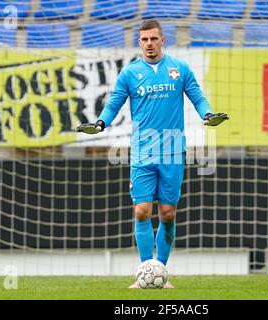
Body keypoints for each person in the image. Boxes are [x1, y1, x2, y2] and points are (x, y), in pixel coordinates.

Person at [77, 20, 229, 289]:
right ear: (139, 42)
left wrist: (208, 115)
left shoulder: (179, 69)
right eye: (144, 39)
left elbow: (197, 96)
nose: (149, 44)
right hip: (142, 152)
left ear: (162, 40)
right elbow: (113, 104)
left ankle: (162, 271)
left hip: (172, 151)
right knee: (142, 210)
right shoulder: (130, 73)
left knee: (168, 213)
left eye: (153, 39)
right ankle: (144, 272)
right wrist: (100, 123)